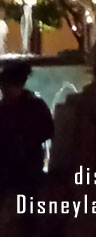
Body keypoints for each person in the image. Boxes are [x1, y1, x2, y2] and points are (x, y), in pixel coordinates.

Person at [0, 60, 54, 222]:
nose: (3, 90)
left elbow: (47, 131)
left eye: (6, 86)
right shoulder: (4, 108)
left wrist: (24, 139)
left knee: (27, 211)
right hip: (8, 167)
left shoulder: (34, 106)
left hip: (26, 168)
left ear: (18, 85)